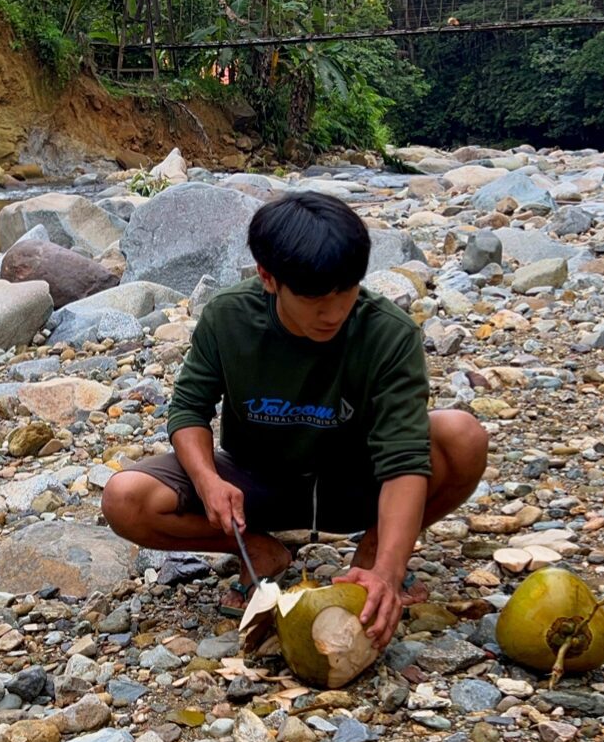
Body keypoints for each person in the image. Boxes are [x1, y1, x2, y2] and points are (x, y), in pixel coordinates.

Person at [101, 192, 488, 649]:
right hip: (254, 487)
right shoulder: (229, 318)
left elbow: (403, 460)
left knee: (462, 436)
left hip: (356, 484)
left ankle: (374, 554)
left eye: (346, 291)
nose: (334, 312)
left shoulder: (387, 333)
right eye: (314, 298)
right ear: (268, 278)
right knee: (125, 498)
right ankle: (261, 551)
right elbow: (189, 409)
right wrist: (207, 481)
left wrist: (389, 568)